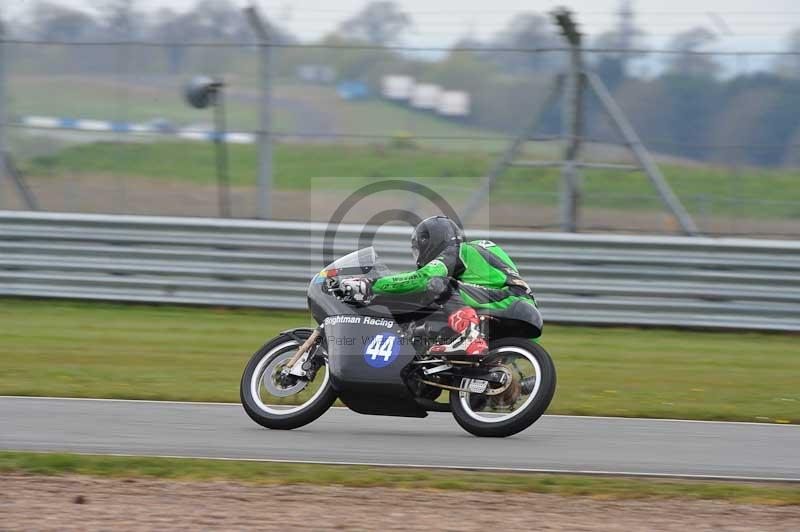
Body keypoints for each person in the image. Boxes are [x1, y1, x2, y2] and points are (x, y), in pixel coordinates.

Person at [338, 215, 542, 356]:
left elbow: (424, 277)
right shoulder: (478, 253)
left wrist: (373, 285)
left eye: (419, 248)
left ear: (430, 242)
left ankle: (468, 336)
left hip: (506, 299)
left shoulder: (457, 250)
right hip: (518, 306)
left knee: (438, 284)